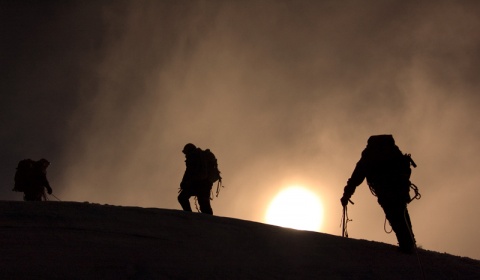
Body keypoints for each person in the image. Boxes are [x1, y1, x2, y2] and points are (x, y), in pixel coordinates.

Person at [340, 135, 416, 253]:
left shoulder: (369, 156)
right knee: (402, 213)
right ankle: (409, 242)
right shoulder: (393, 152)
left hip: (385, 191)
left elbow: (356, 177)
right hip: (400, 188)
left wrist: (346, 195)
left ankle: (407, 246)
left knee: (395, 215)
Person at [178, 143, 213, 215]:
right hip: (205, 185)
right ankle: (211, 223)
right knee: (205, 206)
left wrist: (185, 182)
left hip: (200, 185)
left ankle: (189, 216)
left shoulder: (193, 157)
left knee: (182, 198)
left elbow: (190, 172)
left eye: (185, 152)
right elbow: (189, 172)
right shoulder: (198, 156)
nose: (185, 155)